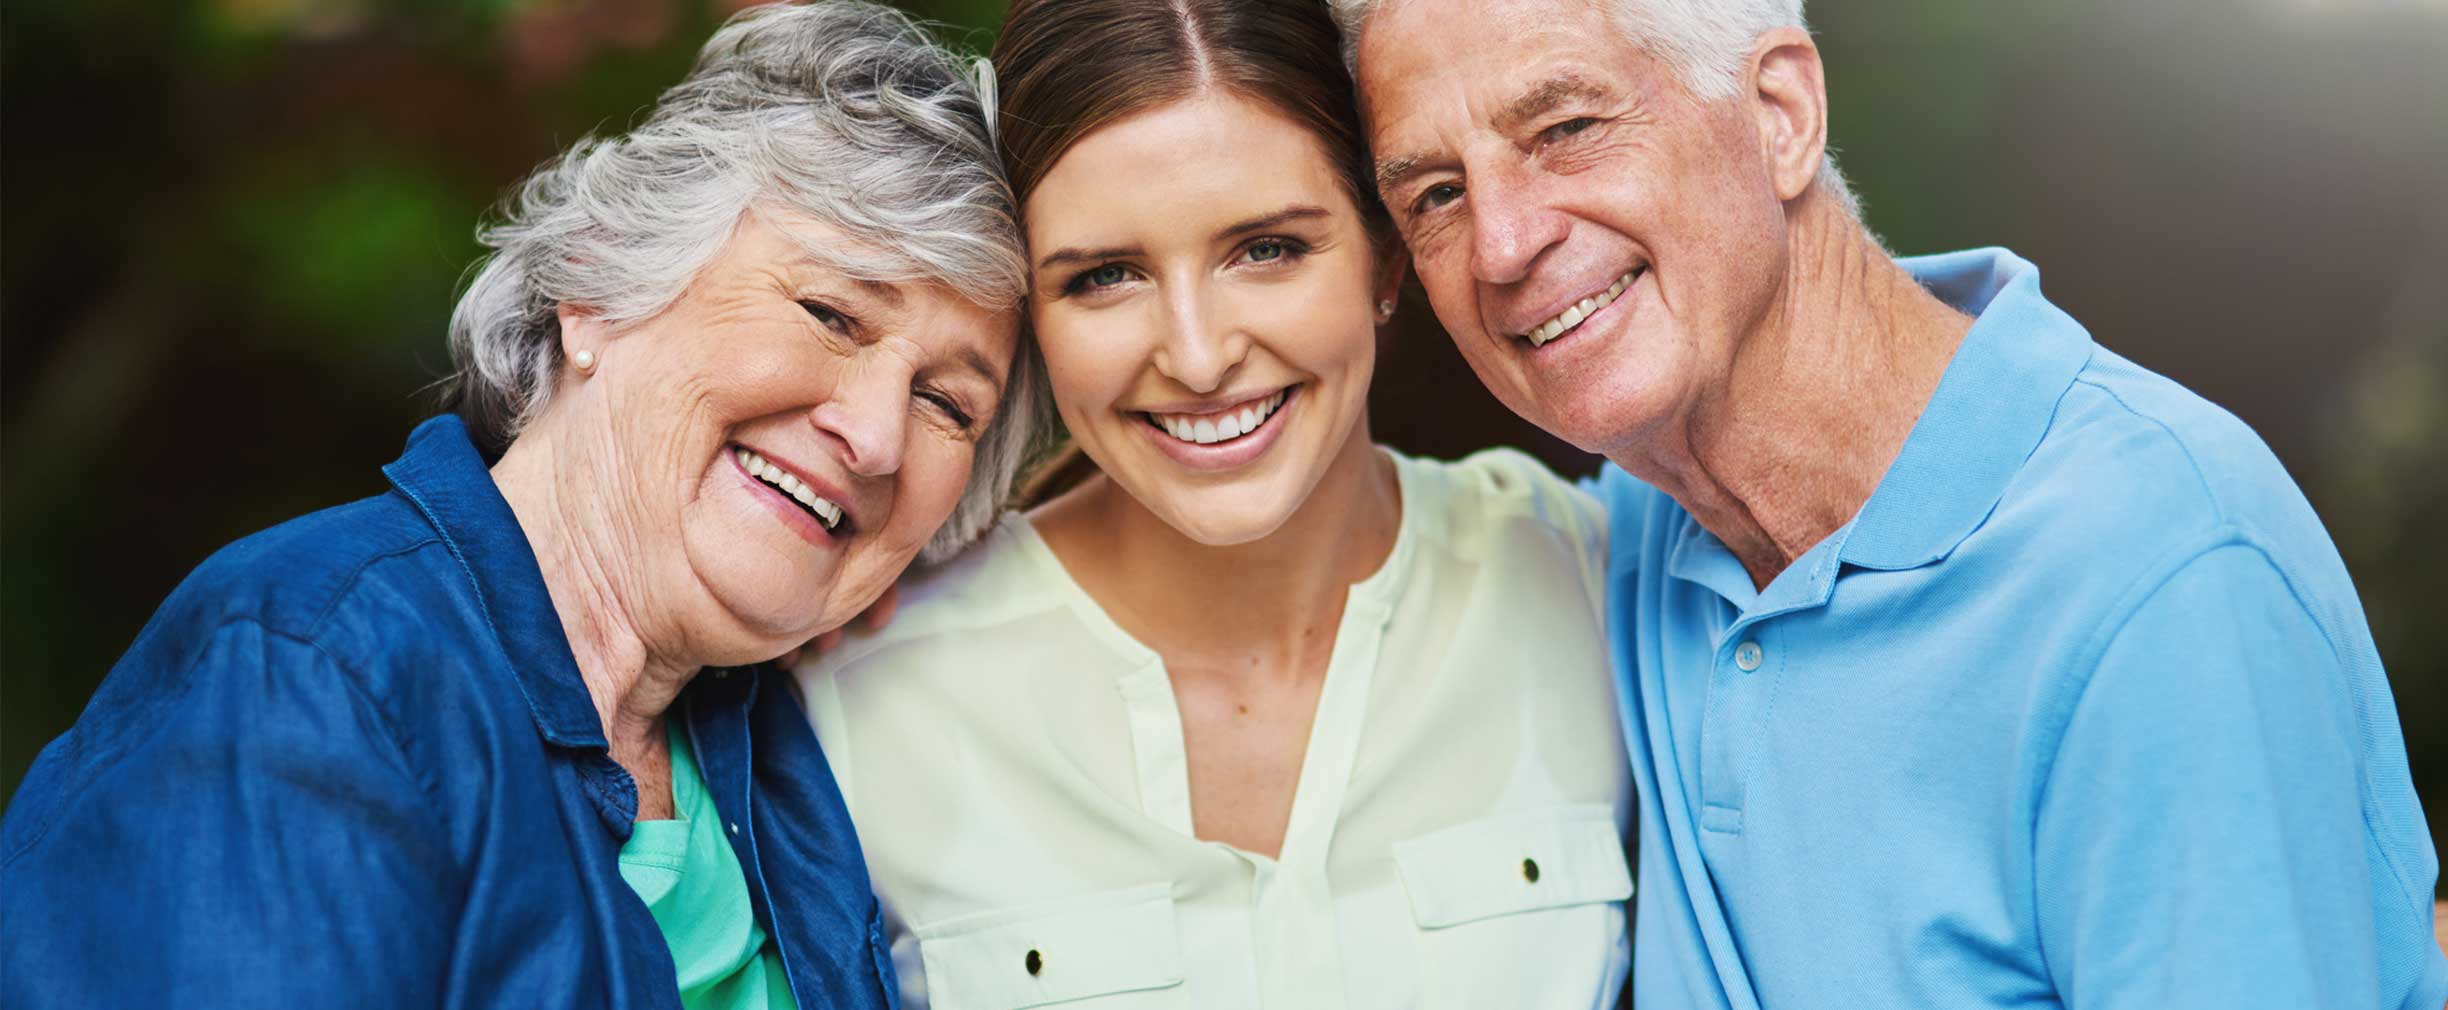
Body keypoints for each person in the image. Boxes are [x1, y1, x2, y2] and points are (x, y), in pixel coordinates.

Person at [1323, 0, 2448, 1007]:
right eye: (1436, 194)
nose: (1505, 243)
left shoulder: (2160, 570)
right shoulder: (1622, 536)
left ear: (1779, 114)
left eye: (1564, 128)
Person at [0, 3, 1042, 1006]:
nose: (874, 434)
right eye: (831, 312)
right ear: (596, 288)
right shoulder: (310, 667)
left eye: (947, 401)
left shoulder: (795, 758)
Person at [793, 0, 1632, 1007]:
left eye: (1267, 248)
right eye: (1105, 276)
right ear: (1031, 321)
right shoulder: (859, 696)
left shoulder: (1598, 587)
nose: (1196, 356)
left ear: (1386, 252)